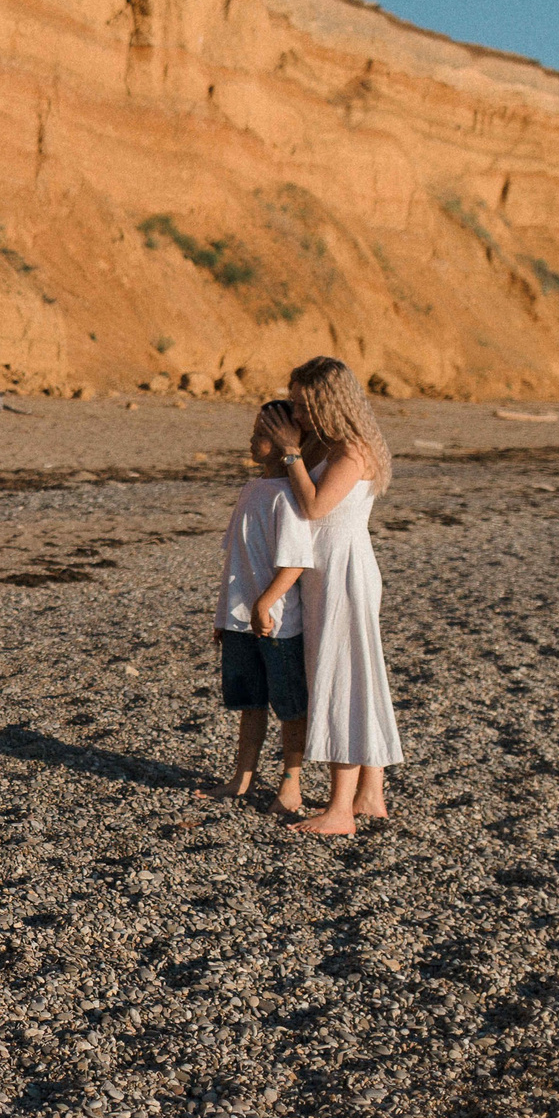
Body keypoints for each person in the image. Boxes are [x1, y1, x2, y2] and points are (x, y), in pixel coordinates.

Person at [261, 357, 402, 835]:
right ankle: (369, 795)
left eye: (303, 405)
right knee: (358, 677)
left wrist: (290, 452)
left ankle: (341, 811)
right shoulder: (329, 444)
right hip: (327, 574)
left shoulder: (353, 451)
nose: (297, 415)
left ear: (328, 403)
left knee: (343, 679)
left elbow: (316, 507)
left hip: (344, 572)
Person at [198, 400, 313, 815]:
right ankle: (241, 778)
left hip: (276, 623)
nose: (251, 440)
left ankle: (291, 785)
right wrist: (222, 617)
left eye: (261, 434)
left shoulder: (288, 496)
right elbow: (235, 560)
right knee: (248, 702)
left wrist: (265, 603)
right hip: (239, 619)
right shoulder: (252, 489)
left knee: (289, 707)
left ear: (283, 442)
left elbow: (295, 562)